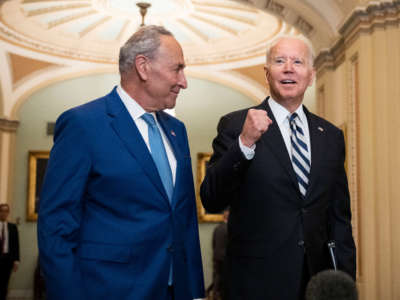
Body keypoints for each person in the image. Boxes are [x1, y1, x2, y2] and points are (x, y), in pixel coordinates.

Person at [38, 25, 205, 300]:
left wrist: (196, 292)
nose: (184, 81)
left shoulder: (177, 131)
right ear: (143, 67)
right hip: (110, 289)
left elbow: (184, 220)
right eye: (177, 69)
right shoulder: (84, 124)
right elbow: (55, 229)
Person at [200, 35, 356, 300]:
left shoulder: (330, 135)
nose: (288, 68)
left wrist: (344, 281)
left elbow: (339, 217)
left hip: (316, 284)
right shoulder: (236, 124)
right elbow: (211, 200)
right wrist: (245, 142)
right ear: (267, 72)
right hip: (255, 284)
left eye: (298, 62)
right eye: (280, 61)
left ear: (310, 74)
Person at [0, 203, 20, 300]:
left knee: (5, 283)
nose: (3, 213)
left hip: (7, 259)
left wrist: (16, 260)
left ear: (8, 213)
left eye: (6, 211)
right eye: (1, 211)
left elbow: (16, 245)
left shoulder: (13, 227)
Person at [211, 209, 229, 300]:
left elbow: (213, 243)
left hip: (216, 256)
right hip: (225, 257)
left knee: (217, 275)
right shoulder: (229, 228)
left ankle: (214, 294)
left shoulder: (217, 228)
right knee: (225, 277)